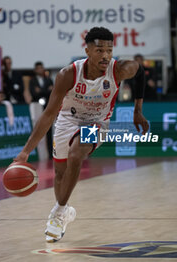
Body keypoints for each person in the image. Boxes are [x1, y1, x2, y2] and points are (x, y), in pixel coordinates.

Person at [14, 27, 149, 243]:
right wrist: (25, 152)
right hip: (67, 119)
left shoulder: (119, 69)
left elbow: (140, 71)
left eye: (109, 50)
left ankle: (57, 213)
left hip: (97, 122)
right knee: (60, 174)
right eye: (99, 50)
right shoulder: (68, 74)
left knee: (76, 154)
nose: (105, 55)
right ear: (87, 50)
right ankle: (64, 210)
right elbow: (49, 115)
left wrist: (138, 110)